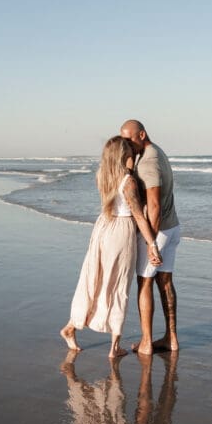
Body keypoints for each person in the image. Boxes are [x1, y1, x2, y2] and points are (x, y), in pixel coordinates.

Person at [60, 136, 162, 359]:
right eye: (130, 152)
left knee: (93, 279)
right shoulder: (128, 181)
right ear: (124, 155)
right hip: (121, 231)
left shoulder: (102, 176)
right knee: (118, 284)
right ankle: (114, 347)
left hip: (103, 227)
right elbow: (137, 215)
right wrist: (152, 244)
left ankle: (71, 326)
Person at [119, 120, 180, 355]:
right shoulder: (157, 152)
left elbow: (153, 204)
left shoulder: (148, 161)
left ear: (142, 134)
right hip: (172, 226)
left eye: (128, 139)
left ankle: (146, 341)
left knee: (144, 283)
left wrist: (150, 241)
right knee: (165, 282)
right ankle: (170, 338)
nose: (125, 144)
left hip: (159, 230)